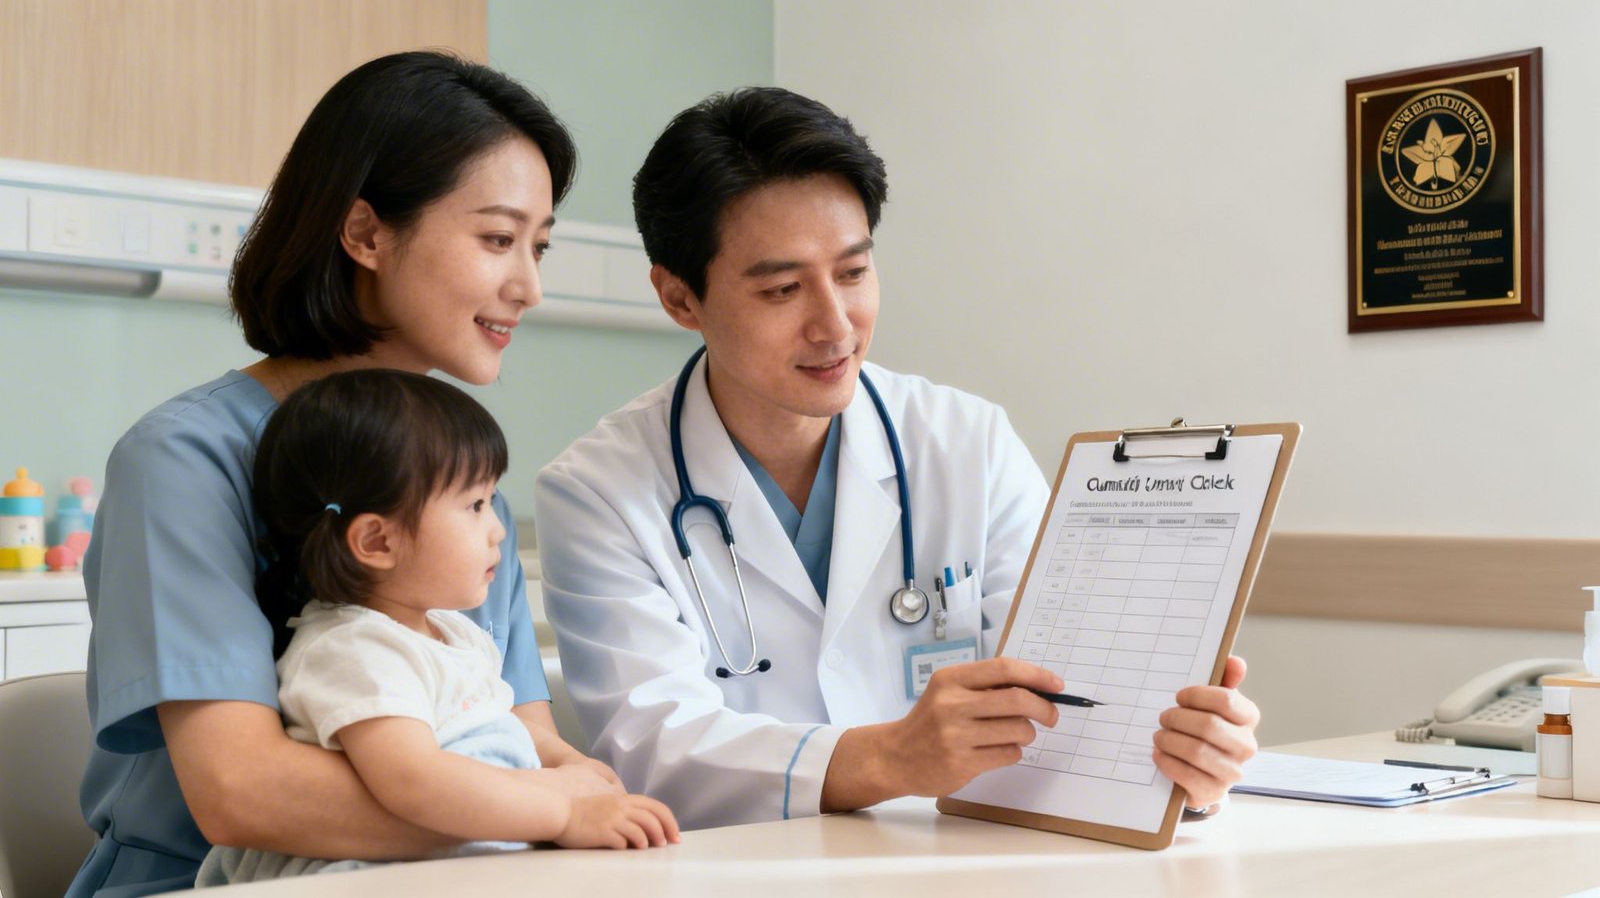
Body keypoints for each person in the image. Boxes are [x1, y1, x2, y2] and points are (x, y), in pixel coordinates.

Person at [533, 87, 1261, 830]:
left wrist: (1179, 762)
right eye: (783, 289)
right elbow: (655, 750)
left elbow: (1076, 696)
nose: (835, 324)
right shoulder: (598, 492)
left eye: (852, 273)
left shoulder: (966, 442)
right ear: (680, 299)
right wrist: (889, 757)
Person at [71, 52, 614, 897]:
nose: (530, 288)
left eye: (537, 247)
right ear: (365, 234)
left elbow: (516, 735)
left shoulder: (460, 491)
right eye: (498, 239)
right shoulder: (185, 459)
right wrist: (542, 813)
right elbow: (242, 794)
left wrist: (599, 802)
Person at [196, 371, 678, 884]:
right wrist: (564, 812)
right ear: (377, 542)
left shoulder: (455, 634)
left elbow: (504, 727)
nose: (497, 529)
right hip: (352, 876)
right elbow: (413, 781)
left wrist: (574, 767)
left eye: (492, 501)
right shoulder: (353, 650)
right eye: (474, 505)